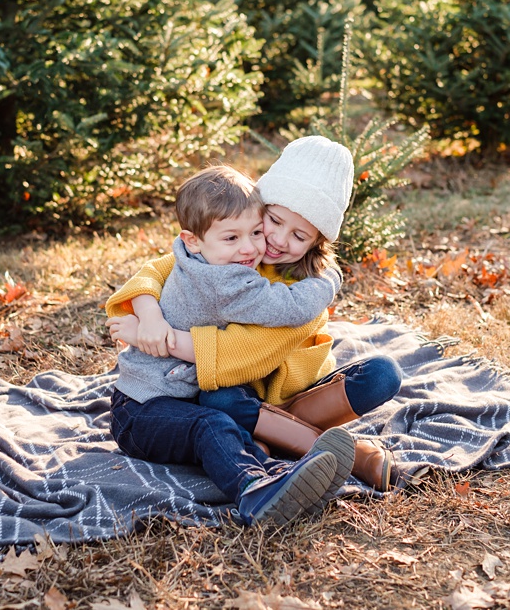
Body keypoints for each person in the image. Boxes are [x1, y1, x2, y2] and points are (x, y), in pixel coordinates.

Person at [107, 136, 404, 493]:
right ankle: (344, 453)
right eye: (273, 221)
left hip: (292, 391)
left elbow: (243, 351)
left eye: (298, 235)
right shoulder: (236, 248)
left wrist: (153, 338)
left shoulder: (305, 293)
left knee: (382, 373)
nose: (277, 240)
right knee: (219, 398)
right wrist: (149, 315)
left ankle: (281, 440)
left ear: (316, 242)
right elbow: (157, 271)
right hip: (242, 393)